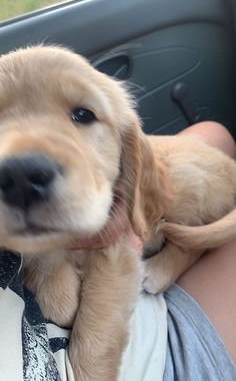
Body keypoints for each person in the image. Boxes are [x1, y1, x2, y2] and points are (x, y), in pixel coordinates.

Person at [0, 121, 235, 381]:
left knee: (215, 135)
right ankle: (185, 246)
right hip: (151, 354)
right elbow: (68, 309)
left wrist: (126, 193)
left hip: (107, 274)